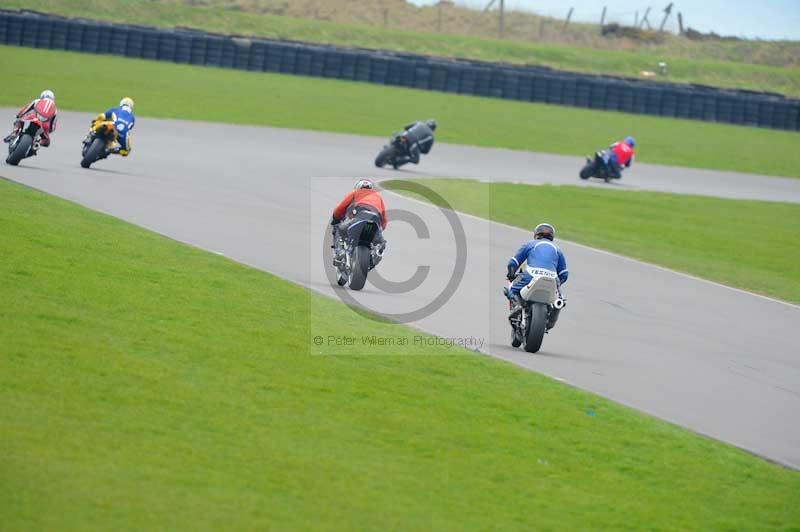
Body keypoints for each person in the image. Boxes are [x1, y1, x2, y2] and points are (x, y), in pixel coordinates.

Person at [506, 223, 568, 326]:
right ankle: (555, 309)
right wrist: (558, 284)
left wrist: (511, 273)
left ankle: (517, 306)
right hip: (552, 278)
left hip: (531, 275)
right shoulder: (558, 250)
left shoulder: (530, 244)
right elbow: (564, 274)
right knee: (559, 298)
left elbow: (513, 262)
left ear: (536, 234)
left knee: (511, 289)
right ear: (552, 236)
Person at [331, 179, 388, 267]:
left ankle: (340, 254)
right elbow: (384, 219)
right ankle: (375, 255)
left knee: (339, 229)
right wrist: (381, 228)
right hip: (374, 221)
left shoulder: (355, 193)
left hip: (360, 217)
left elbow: (340, 207)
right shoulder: (378, 196)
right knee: (380, 243)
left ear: (358, 187)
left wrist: (336, 219)